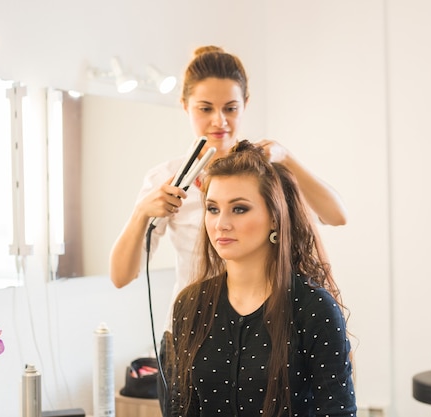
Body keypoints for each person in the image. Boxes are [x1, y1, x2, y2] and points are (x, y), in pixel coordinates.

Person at [108, 45, 348, 414]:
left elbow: (336, 214)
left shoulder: (266, 174)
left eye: (230, 108)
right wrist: (143, 212)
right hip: (196, 331)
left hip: (270, 327)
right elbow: (121, 276)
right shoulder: (167, 180)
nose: (219, 120)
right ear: (185, 105)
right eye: (205, 108)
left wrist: (286, 159)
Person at [169, 140, 356, 417]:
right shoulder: (190, 304)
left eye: (239, 208)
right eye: (212, 209)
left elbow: (338, 412)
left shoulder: (314, 308)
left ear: (274, 218)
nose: (221, 223)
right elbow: (182, 409)